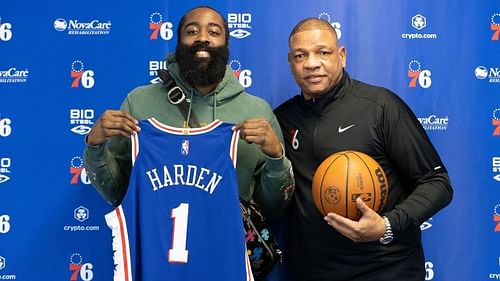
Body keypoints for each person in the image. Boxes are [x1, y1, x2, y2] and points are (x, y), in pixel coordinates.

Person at [83, 5, 294, 280]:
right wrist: (95, 146)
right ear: (179, 41)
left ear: (226, 44)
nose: (202, 38)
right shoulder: (140, 103)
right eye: (191, 31)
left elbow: (274, 208)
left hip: (224, 263)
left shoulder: (255, 112)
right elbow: (120, 192)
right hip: (157, 264)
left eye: (214, 32)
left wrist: (277, 157)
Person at [274, 18, 453, 281]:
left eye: (323, 52)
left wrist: (386, 226)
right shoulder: (283, 118)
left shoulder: (380, 107)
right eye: (301, 55)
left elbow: (437, 183)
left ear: (342, 55)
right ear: (291, 62)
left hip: (386, 270)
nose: (311, 63)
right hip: (313, 273)